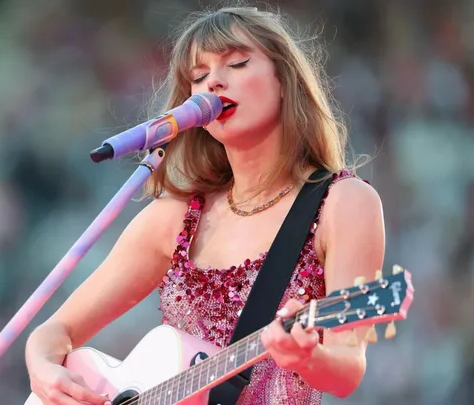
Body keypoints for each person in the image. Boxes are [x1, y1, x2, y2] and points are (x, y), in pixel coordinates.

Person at [25, 5, 385, 405]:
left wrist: (306, 356)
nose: (213, 81)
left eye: (237, 63)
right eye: (198, 77)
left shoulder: (342, 203)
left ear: (285, 80)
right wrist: (42, 367)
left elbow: (348, 367)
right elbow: (54, 333)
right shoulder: (175, 218)